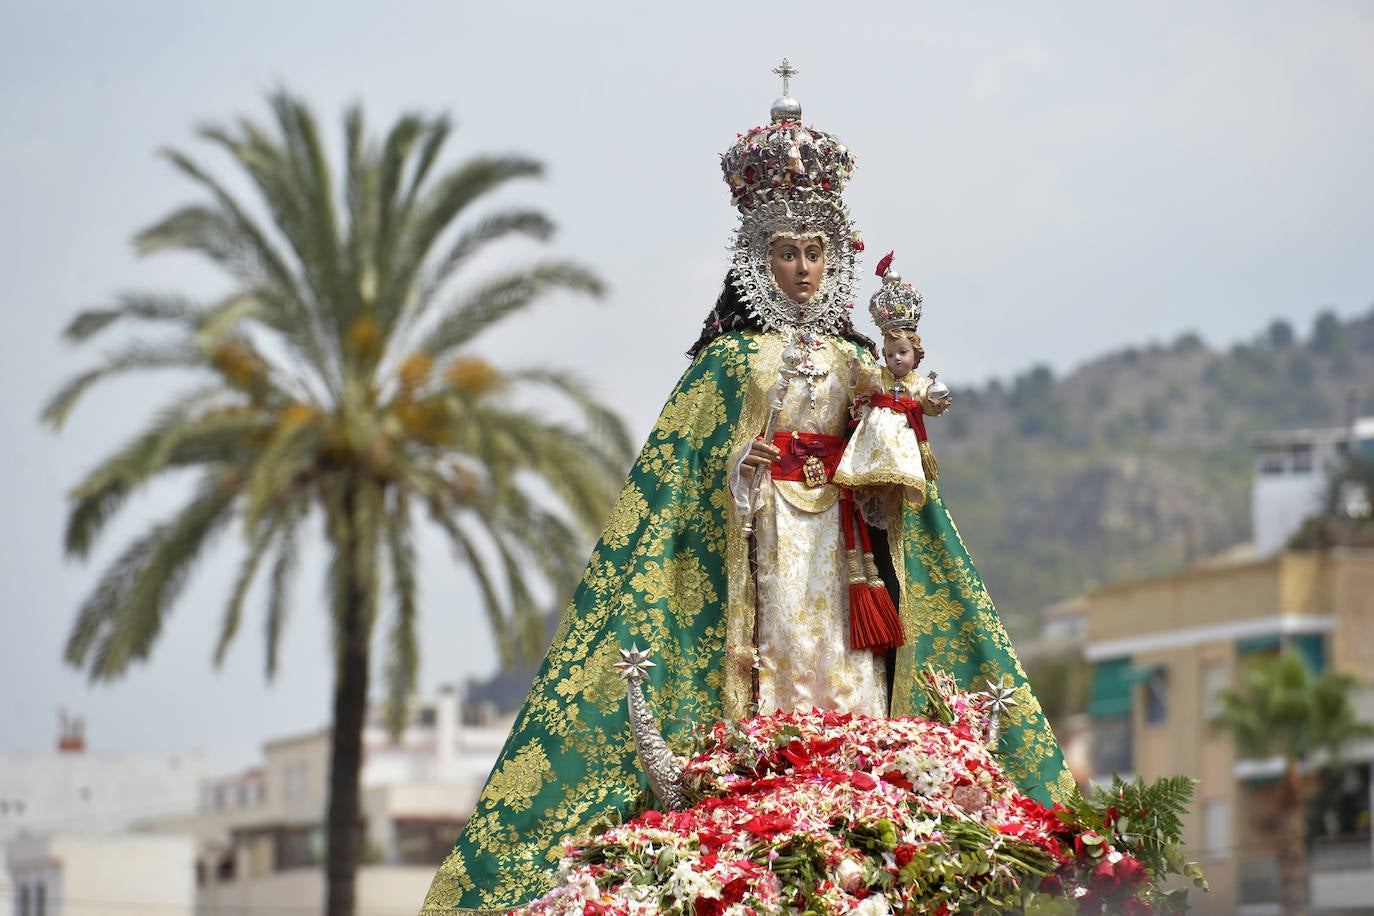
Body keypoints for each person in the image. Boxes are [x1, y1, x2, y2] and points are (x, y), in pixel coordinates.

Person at [419, 67, 1073, 915]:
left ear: (834, 263)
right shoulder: (727, 367)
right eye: (786, 253)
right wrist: (742, 479)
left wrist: (893, 427)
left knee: (847, 655)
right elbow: (679, 495)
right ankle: (772, 758)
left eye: (815, 253)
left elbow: (896, 470)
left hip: (843, 543)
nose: (801, 269)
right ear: (757, 260)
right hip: (764, 540)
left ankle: (857, 761)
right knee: (778, 648)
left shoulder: (854, 363)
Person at [834, 254, 951, 509]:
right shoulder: (882, 375)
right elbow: (865, 380)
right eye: (890, 354)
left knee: (902, 451)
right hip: (875, 431)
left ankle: (904, 482)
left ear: (915, 353)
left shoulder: (917, 382)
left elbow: (924, 400)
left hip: (902, 433)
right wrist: (856, 372)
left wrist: (934, 402)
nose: (896, 359)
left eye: (902, 353)